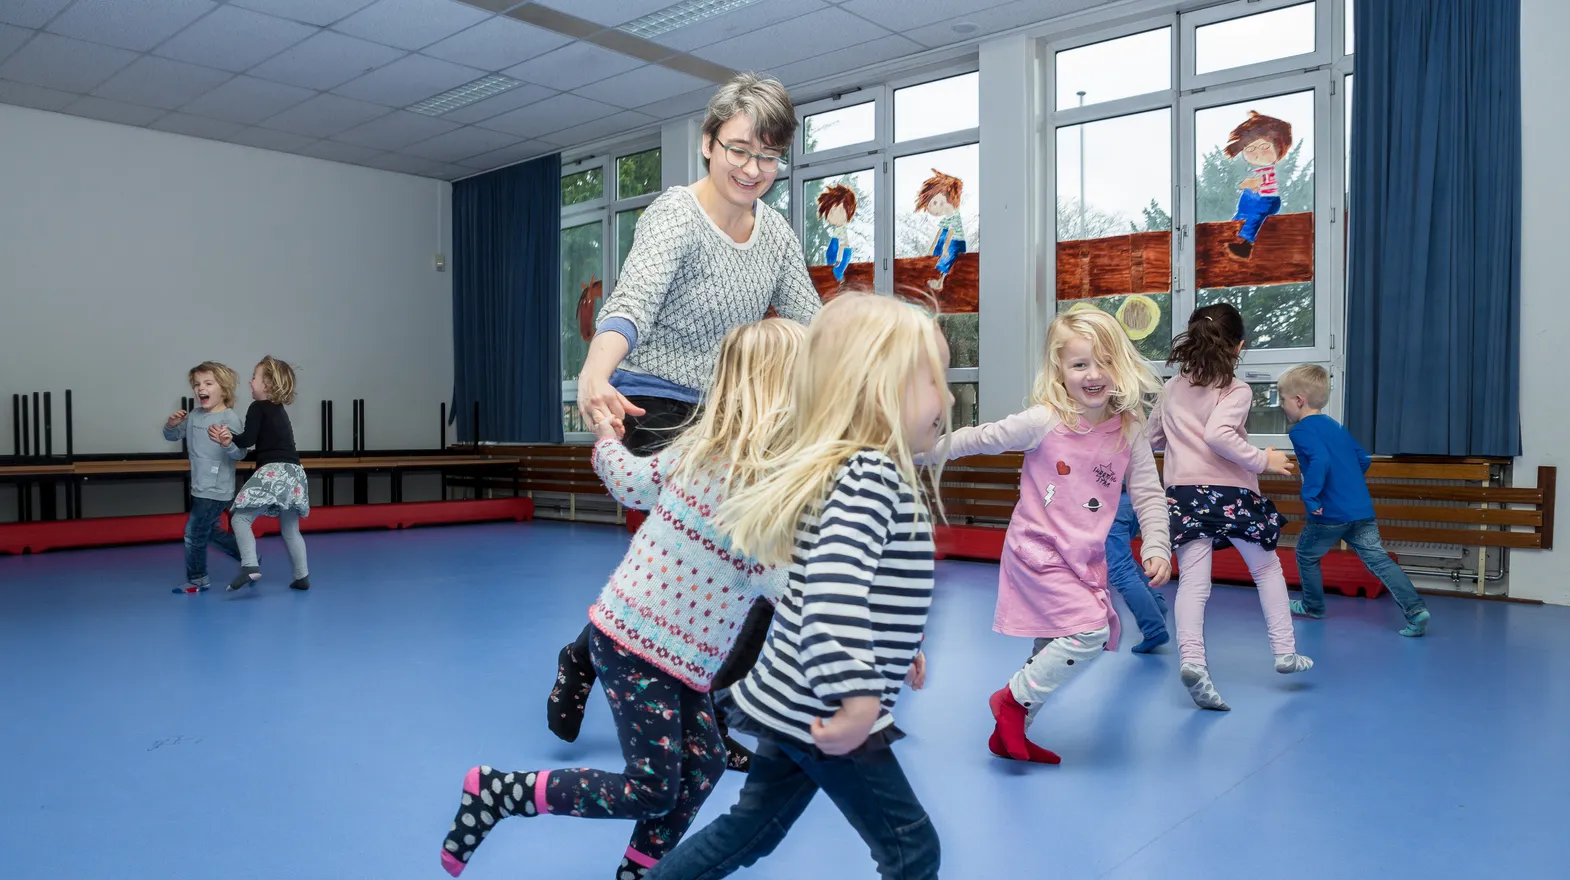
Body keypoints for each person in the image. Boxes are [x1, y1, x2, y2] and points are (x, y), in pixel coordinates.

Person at [439, 320, 803, 880]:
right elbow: (789, 587)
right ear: (779, 396)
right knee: (653, 786)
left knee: (703, 763)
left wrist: (608, 436)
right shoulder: (740, 478)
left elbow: (631, 482)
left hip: (678, 657)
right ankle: (500, 792)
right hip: (636, 643)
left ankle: (639, 872)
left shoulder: (714, 455)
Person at [551, 72, 822, 766]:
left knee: (739, 566)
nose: (752, 168)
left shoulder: (778, 236)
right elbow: (632, 303)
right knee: (705, 561)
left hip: (732, 415)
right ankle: (637, 679)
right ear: (708, 143)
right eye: (738, 149)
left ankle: (670, 688)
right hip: (657, 401)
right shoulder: (675, 215)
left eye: (767, 156)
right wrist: (594, 371)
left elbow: (812, 328)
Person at [645, 293, 949, 880]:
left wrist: (895, 644)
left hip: (792, 695)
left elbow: (840, 586)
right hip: (825, 702)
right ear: (876, 389)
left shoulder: (851, 467)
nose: (951, 398)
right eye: (934, 381)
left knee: (749, 829)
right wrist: (860, 695)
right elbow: (833, 594)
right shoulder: (872, 476)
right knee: (913, 850)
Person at [934, 309, 1171, 763]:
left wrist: (1157, 544)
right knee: (1088, 633)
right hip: (1037, 553)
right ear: (1060, 370)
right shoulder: (1045, 419)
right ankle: (1010, 701)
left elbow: (1147, 492)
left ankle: (1009, 736)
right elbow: (979, 438)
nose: (1094, 374)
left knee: (1050, 646)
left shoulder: (1129, 428)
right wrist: (918, 448)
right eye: (1080, 364)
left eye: (1104, 361)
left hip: (1084, 559)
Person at [1150, 303, 1312, 711]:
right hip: (1232, 492)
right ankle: (1284, 652)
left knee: (1193, 583)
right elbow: (1220, 435)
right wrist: (1264, 460)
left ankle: (1192, 661)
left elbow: (1152, 438)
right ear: (1238, 347)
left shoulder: (1172, 388)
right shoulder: (1235, 389)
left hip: (1184, 493)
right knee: (1265, 568)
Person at [1277, 363, 1430, 636]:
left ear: (1299, 400)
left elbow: (1320, 461)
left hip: (1329, 513)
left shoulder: (1299, 431)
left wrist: (1311, 496)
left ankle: (1313, 606)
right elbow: (1362, 460)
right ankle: (1416, 611)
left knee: (1306, 554)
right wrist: (1347, 483)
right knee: (1379, 560)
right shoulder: (1335, 426)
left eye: (1282, 399)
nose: (1281, 405)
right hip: (1360, 509)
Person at [215, 356, 309, 593]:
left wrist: (228, 437)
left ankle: (249, 566)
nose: (250, 382)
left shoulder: (257, 407)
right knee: (290, 529)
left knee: (240, 518)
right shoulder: (279, 410)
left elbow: (248, 440)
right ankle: (302, 576)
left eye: (254, 378)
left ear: (266, 385)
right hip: (295, 472)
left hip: (274, 470)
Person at [163, 361, 245, 594]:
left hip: (218, 488)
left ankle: (198, 578)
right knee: (210, 531)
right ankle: (248, 557)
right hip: (199, 486)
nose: (201, 388)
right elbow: (171, 436)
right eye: (197, 384)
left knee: (194, 533)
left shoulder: (230, 420)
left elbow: (240, 453)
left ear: (224, 389)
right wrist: (171, 425)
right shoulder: (194, 416)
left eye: (208, 383)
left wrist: (226, 443)